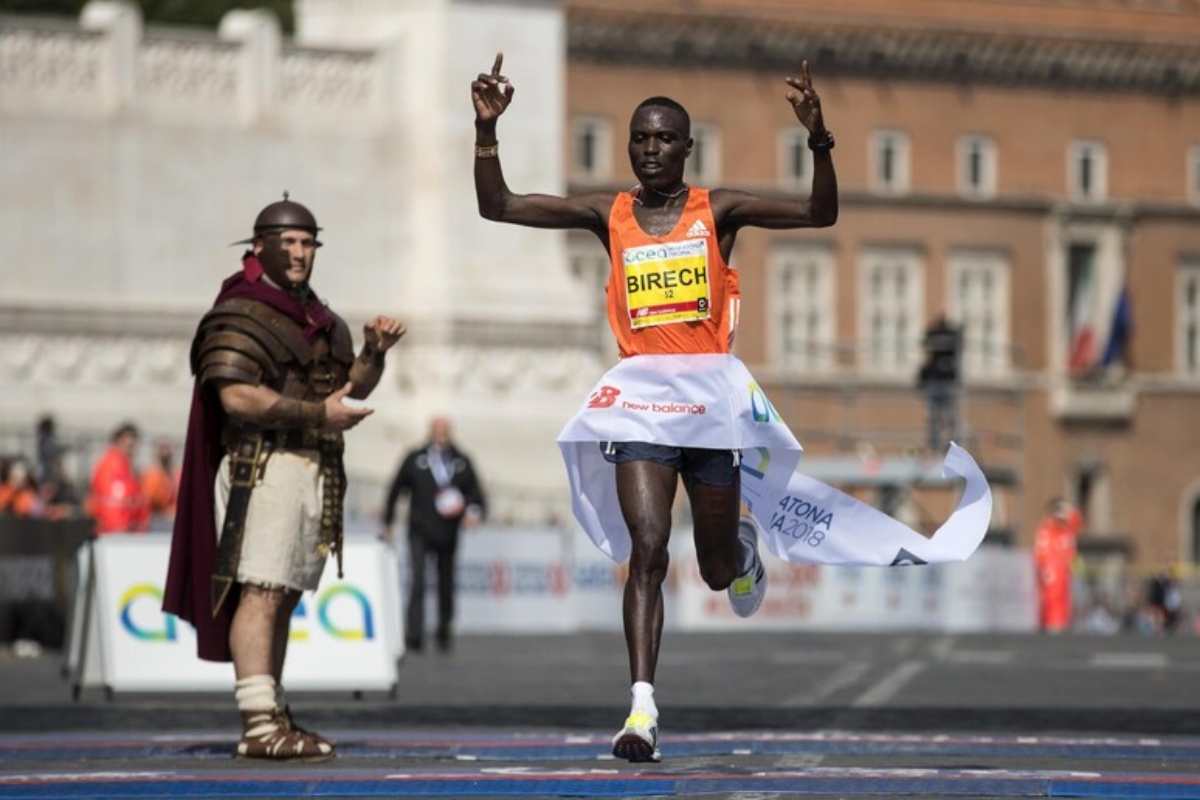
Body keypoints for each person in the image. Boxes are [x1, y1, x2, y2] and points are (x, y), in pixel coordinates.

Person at [472, 53, 837, 762]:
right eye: (639, 138)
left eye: (663, 139)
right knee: (647, 548)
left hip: (708, 400)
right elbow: (500, 205)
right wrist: (486, 132)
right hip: (641, 400)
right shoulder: (606, 214)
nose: (649, 150)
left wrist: (817, 138)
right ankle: (641, 710)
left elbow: (821, 213)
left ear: (687, 148)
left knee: (710, 564)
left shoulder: (719, 210)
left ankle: (741, 552)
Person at [162, 195, 405, 762]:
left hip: (311, 468)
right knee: (264, 590)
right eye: (289, 243)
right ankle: (257, 721)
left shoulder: (317, 315)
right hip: (261, 467)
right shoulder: (240, 312)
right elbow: (237, 394)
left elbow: (351, 386)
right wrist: (320, 416)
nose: (300, 253)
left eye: (308, 243)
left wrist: (373, 350)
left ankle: (272, 710)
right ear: (260, 247)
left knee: (284, 594)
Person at [382, 416, 486, 654]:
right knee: (418, 581)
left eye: (446, 430)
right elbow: (396, 488)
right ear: (430, 432)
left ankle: (443, 630)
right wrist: (388, 520)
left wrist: (474, 512)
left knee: (446, 582)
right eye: (438, 430)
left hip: (448, 532)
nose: (442, 434)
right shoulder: (416, 459)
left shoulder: (461, 460)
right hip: (419, 529)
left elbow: (476, 494)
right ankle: (414, 634)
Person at [87, 422, 150, 535]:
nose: (132, 452)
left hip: (127, 532)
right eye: (129, 446)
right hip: (116, 536)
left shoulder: (126, 469)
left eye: (134, 447)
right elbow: (113, 506)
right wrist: (122, 531)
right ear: (118, 442)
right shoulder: (112, 467)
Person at [1033, 497, 1083, 633]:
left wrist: (1069, 509)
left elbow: (1078, 521)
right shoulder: (1047, 529)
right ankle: (1051, 626)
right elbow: (1042, 551)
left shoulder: (1067, 530)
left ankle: (1061, 625)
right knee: (1053, 599)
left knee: (1066, 602)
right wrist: (1045, 569)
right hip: (1052, 572)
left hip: (1066, 573)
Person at [917, 312, 962, 454]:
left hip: (947, 383)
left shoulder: (951, 338)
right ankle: (935, 447)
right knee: (934, 419)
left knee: (950, 418)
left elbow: (958, 342)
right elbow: (925, 342)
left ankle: (952, 447)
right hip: (935, 382)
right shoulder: (932, 336)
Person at [141, 438, 181, 531]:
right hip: (158, 519)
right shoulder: (152, 475)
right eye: (162, 449)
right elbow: (151, 501)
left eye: (167, 449)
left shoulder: (176, 473)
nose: (165, 453)